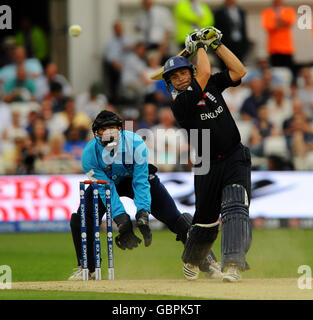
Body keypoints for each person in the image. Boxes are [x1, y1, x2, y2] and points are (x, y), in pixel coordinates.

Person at [68, 110, 221, 280]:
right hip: (108, 184)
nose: (108, 133)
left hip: (137, 179)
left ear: (120, 129)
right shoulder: (89, 154)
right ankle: (88, 268)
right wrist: (122, 219)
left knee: (175, 218)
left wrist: (142, 212)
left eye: (112, 128)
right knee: (82, 218)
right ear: (96, 133)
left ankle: (209, 262)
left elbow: (140, 181)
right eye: (103, 130)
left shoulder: (135, 143)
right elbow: (105, 188)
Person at [162, 27, 252, 282]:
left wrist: (217, 45)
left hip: (234, 155)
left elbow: (239, 72)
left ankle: (233, 264)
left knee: (236, 206)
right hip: (205, 162)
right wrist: (200, 44)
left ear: (188, 72)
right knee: (205, 221)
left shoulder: (209, 84)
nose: (180, 78)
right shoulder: (181, 103)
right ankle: (193, 259)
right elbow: (203, 71)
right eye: (174, 77)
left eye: (183, 73)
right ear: (169, 84)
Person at [261, 0, 296, 76]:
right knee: (275, 71)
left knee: (288, 71)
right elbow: (268, 26)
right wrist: (281, 22)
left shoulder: (288, 11)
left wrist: (276, 21)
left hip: (287, 48)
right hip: (274, 48)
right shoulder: (267, 12)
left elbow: (289, 22)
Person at [214, 0, 251, 68]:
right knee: (225, 65)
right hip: (225, 43)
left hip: (239, 43)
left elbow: (243, 28)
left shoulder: (241, 11)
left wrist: (245, 44)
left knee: (238, 65)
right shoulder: (219, 12)